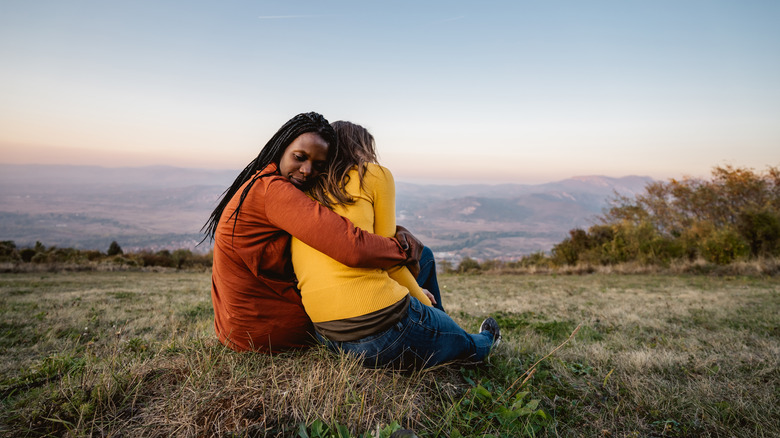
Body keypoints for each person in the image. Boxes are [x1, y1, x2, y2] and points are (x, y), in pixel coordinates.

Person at [202, 112, 422, 353]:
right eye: (299, 157)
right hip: (266, 330)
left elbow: (333, 224)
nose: (307, 170)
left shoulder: (262, 181)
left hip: (236, 328)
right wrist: (402, 248)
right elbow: (352, 246)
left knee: (423, 257)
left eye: (318, 165)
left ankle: (430, 320)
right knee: (423, 257)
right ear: (282, 146)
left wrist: (399, 233)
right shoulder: (275, 191)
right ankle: (432, 324)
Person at [291, 121, 501, 370]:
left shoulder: (306, 188)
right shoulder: (373, 174)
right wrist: (421, 298)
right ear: (363, 149)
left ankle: (441, 327)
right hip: (380, 335)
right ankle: (476, 341)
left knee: (426, 257)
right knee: (470, 346)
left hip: (328, 336)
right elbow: (389, 259)